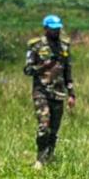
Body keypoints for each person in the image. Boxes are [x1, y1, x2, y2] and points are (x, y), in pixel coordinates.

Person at [23, 15, 75, 168]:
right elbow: (27, 70)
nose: (56, 32)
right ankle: (40, 159)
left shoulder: (64, 46)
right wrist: (44, 66)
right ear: (46, 29)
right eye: (53, 29)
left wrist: (71, 93)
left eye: (58, 29)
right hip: (41, 92)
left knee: (54, 130)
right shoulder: (36, 46)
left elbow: (67, 71)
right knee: (44, 126)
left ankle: (49, 156)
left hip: (59, 93)